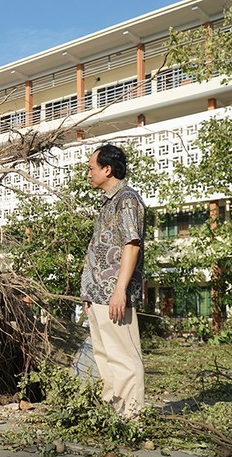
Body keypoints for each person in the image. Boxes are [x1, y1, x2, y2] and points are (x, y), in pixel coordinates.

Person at [80, 144, 146, 418]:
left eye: (91, 168)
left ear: (108, 169)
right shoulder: (109, 202)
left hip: (114, 297)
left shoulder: (127, 200)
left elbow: (132, 245)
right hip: (98, 296)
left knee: (124, 358)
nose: (88, 174)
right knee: (105, 358)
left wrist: (119, 291)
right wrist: (89, 292)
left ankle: (131, 419)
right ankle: (113, 416)